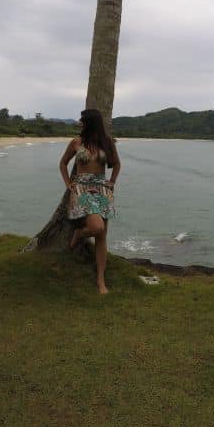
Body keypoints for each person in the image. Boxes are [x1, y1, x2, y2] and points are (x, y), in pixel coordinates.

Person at [59, 108, 121, 294]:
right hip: (82, 188)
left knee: (102, 236)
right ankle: (79, 234)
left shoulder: (107, 143)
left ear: (90, 122)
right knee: (97, 228)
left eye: (83, 120)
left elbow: (116, 163)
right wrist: (68, 184)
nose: (80, 123)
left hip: (102, 189)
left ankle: (101, 280)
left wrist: (112, 182)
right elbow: (63, 163)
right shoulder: (76, 142)